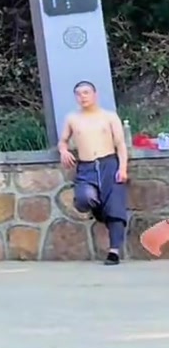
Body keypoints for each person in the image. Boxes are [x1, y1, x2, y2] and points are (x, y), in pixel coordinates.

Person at [59, 81, 130, 265]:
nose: (83, 97)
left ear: (94, 94)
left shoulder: (109, 116)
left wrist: (122, 168)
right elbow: (63, 140)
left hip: (109, 163)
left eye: (86, 92)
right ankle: (99, 211)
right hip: (86, 166)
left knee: (115, 207)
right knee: (85, 198)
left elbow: (120, 144)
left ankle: (114, 251)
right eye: (79, 94)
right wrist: (63, 151)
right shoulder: (72, 118)